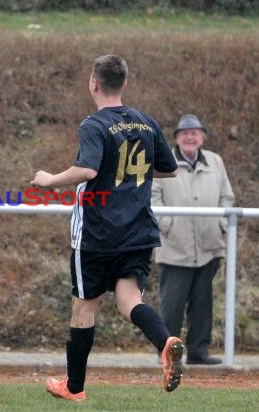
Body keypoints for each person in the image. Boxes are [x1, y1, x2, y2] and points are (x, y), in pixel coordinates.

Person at [31, 54, 184, 401]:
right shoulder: (146, 122)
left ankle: (75, 387)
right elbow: (170, 168)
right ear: (125, 84)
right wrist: (132, 176)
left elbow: (85, 171)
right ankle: (166, 341)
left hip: (98, 233)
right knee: (129, 299)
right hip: (138, 230)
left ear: (93, 83)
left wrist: (49, 181)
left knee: (84, 306)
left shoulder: (94, 125)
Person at [152, 114, 234, 365]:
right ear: (176, 137)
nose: (190, 137)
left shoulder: (216, 162)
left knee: (202, 305)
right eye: (185, 133)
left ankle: (199, 353)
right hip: (176, 247)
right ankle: (167, 354)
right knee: (171, 308)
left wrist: (220, 224)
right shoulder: (162, 161)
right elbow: (152, 200)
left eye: (195, 132)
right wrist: (168, 227)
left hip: (209, 246)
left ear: (202, 137)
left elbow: (226, 197)